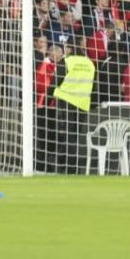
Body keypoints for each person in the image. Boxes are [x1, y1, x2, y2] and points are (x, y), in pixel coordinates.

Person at [49, 39, 95, 174]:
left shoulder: (68, 61)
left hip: (66, 100)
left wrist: (50, 93)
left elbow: (56, 79)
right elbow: (94, 85)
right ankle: (72, 166)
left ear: (69, 48)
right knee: (75, 135)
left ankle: (63, 164)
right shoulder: (90, 63)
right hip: (82, 103)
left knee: (67, 134)